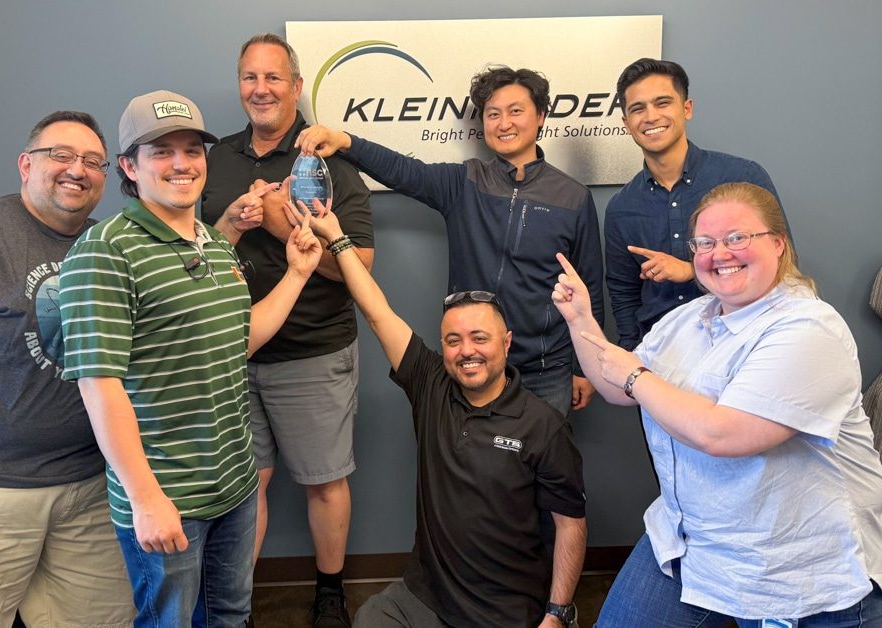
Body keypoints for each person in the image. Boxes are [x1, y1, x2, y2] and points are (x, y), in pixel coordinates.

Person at [553, 182, 882, 626]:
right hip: (690, 537)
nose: (719, 253)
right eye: (704, 243)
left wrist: (636, 375)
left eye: (737, 238)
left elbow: (720, 433)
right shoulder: (690, 318)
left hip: (793, 566)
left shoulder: (808, 329)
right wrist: (581, 319)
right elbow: (616, 388)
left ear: (779, 243)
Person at [59, 90, 322, 627]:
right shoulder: (104, 251)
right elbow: (99, 385)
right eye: (161, 151)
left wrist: (297, 273)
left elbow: (239, 340)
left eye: (192, 149)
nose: (181, 163)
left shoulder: (215, 243)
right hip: (168, 496)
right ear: (130, 166)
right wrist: (145, 497)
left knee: (229, 614)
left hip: (236, 486)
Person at [288, 198, 586, 628]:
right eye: (453, 340)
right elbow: (376, 311)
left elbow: (570, 525)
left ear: (506, 343)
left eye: (480, 338)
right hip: (425, 596)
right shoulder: (430, 384)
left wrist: (557, 615)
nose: (467, 351)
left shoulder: (543, 424)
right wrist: (336, 238)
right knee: (371, 620)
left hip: (505, 608)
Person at [0, 111, 135, 627]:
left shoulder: (107, 244)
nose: (76, 170)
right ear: (26, 164)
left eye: (91, 161)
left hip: (87, 488)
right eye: (60, 155)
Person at [296, 65, 604, 417]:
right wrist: (346, 142)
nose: (504, 123)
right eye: (493, 114)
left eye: (516, 111)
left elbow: (589, 287)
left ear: (541, 117)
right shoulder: (464, 183)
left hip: (546, 371)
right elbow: (402, 171)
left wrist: (584, 367)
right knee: (472, 470)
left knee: (546, 470)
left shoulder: (573, 197)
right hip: (472, 365)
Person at [200, 33, 374, 626]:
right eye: (250, 77)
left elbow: (359, 268)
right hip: (229, 354)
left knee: (325, 483)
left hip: (313, 351)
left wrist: (279, 226)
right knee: (244, 488)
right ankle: (236, 605)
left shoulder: (326, 163)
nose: (261, 89)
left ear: (297, 87)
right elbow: (191, 254)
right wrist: (230, 222)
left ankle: (330, 593)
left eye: (274, 78)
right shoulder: (213, 161)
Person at [605, 58, 786, 350]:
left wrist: (692, 270)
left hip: (744, 346)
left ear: (686, 108)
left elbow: (781, 263)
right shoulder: (621, 208)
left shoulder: (742, 177)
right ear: (626, 123)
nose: (650, 117)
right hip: (662, 356)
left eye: (662, 103)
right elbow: (623, 293)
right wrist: (633, 356)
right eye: (638, 109)